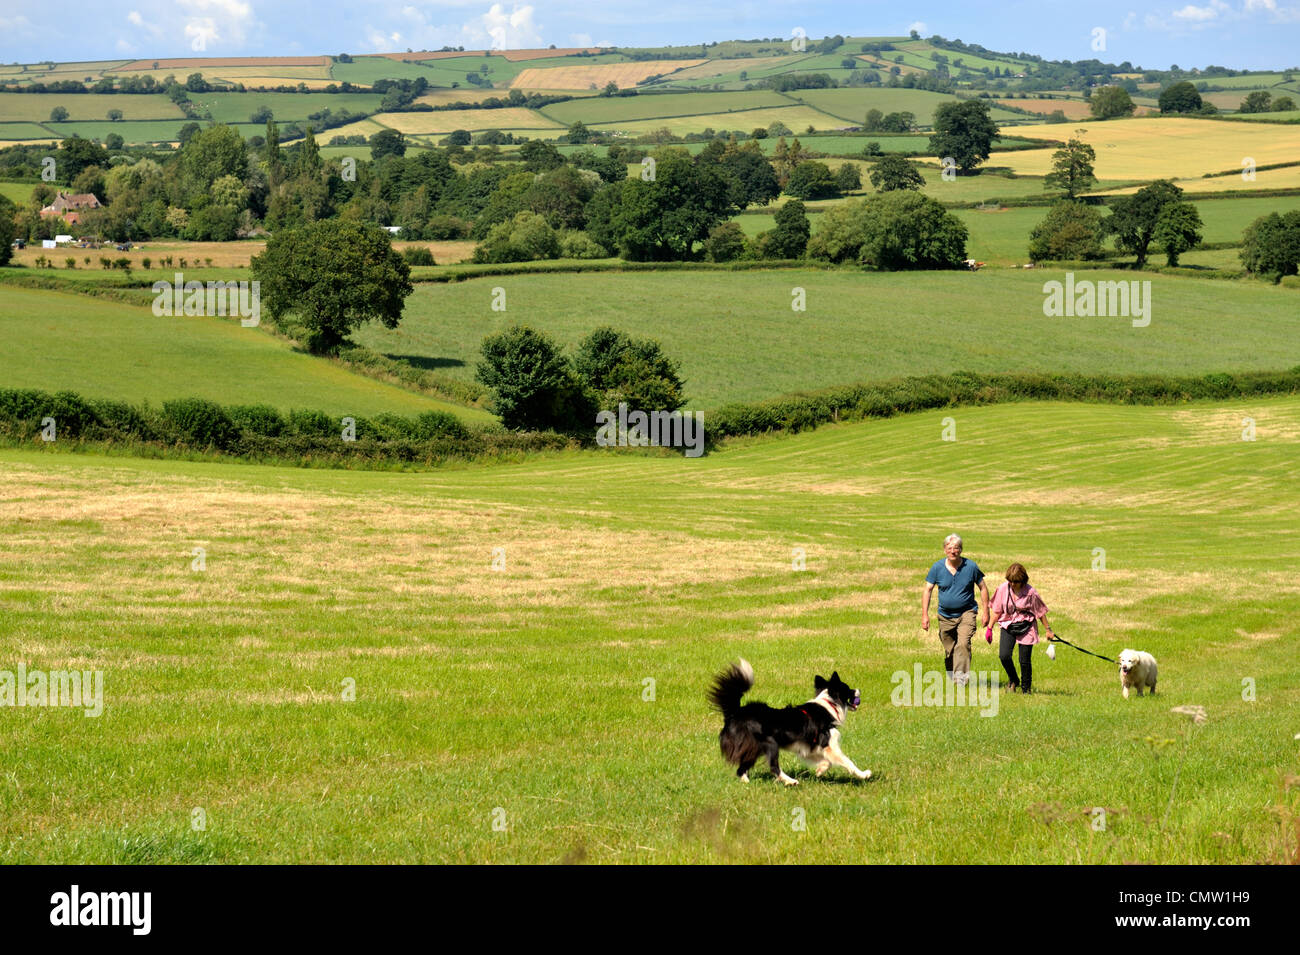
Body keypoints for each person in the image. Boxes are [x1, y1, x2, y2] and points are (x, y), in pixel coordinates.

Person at [922, 534, 989, 685]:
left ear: (961, 550)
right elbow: (928, 590)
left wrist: (986, 612)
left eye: (956, 548)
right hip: (945, 616)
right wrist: (924, 615)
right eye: (950, 548)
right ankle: (952, 673)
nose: (953, 551)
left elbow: (983, 588)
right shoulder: (937, 568)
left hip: (967, 612)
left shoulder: (970, 567)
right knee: (950, 649)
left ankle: (960, 681)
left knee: (963, 644)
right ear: (945, 549)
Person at [989, 562, 1055, 694]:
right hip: (1008, 624)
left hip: (1026, 626)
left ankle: (1026, 689)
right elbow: (997, 611)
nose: (1012, 584)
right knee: (1004, 656)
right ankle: (1014, 679)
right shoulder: (1003, 589)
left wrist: (1048, 630)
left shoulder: (1031, 593)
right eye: (1010, 581)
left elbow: (1040, 612)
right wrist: (989, 628)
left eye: (1016, 581)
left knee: (1024, 661)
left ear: (1023, 580)